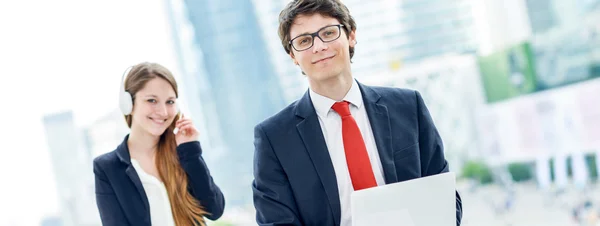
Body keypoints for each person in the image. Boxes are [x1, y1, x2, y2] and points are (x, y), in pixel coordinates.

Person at [251, 0, 462, 225]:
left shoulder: (408, 106)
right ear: (292, 55)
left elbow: (446, 199)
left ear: (351, 35)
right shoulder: (274, 138)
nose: (319, 46)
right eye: (304, 41)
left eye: (328, 33)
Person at [93, 62, 225, 226]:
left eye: (170, 102)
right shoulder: (108, 168)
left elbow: (215, 210)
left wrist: (190, 153)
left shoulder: (182, 154)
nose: (163, 112)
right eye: (152, 100)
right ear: (128, 104)